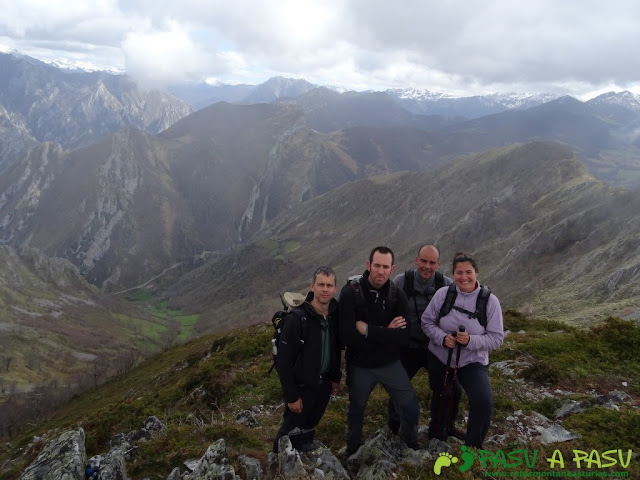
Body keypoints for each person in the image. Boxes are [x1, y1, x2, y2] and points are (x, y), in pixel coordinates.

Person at [339, 246, 420, 457]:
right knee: (356, 410)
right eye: (377, 266)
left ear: (392, 269)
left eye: (385, 267)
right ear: (368, 265)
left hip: (390, 364)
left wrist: (368, 330)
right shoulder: (350, 293)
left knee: (411, 408)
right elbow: (348, 338)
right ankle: (352, 451)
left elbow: (403, 337)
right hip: (360, 366)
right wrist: (387, 333)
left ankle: (409, 446)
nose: (380, 271)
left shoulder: (397, 296)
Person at [421, 252, 504, 448]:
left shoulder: (490, 302)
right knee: (443, 394)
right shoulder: (443, 294)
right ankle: (439, 432)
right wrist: (442, 338)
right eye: (459, 272)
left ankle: (473, 446)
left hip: (472, 360)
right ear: (453, 274)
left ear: (476, 273)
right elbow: (426, 322)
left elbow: (496, 338)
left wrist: (470, 341)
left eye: (468, 272)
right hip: (441, 357)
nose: (464, 277)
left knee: (482, 401)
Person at [388, 244, 465, 440]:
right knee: (397, 386)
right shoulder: (401, 282)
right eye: (423, 261)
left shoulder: (446, 284)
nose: (427, 266)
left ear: (438, 264)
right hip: (408, 346)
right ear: (416, 260)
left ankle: (445, 427)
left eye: (432, 262)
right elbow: (388, 308)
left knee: (452, 389)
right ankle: (393, 428)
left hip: (436, 347)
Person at [273, 266, 342, 453]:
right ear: (312, 286)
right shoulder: (297, 319)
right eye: (321, 284)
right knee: (288, 432)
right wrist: (292, 396)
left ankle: (300, 457)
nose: (325, 289)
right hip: (302, 389)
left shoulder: (335, 316)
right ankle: (276, 464)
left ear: (335, 288)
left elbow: (336, 348)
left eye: (329, 285)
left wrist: (335, 378)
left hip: (324, 385)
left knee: (309, 426)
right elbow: (284, 362)